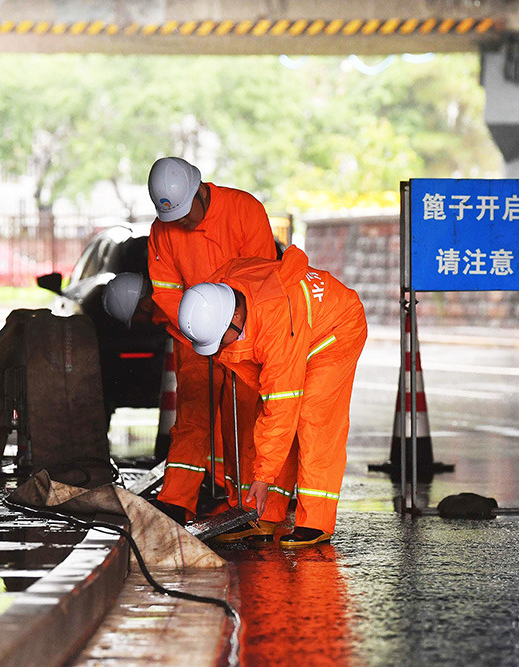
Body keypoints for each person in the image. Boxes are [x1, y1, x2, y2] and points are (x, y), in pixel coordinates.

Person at [178, 245, 367, 547]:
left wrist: (263, 476)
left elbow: (281, 405)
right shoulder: (215, 294)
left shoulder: (274, 321)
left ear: (235, 316)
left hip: (334, 331)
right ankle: (264, 512)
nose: (219, 347)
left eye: (220, 340)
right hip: (296, 329)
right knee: (265, 419)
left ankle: (315, 521)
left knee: (311, 417)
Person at [146, 156, 289, 540]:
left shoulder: (244, 210)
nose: (179, 224)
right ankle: (177, 499)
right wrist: (197, 330)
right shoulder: (161, 230)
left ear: (199, 191)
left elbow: (260, 276)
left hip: (243, 331)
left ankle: (250, 503)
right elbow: (165, 291)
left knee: (243, 415)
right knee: (193, 413)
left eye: (184, 214)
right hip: (192, 334)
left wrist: (227, 327)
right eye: (171, 217)